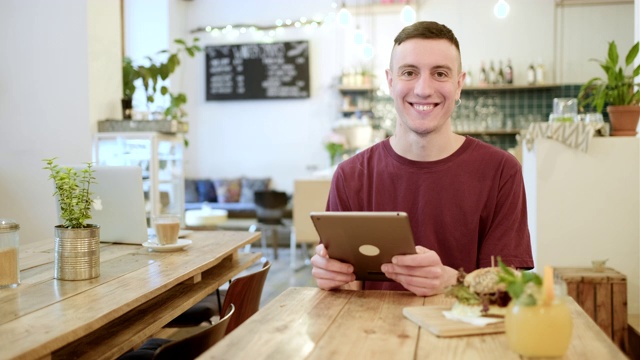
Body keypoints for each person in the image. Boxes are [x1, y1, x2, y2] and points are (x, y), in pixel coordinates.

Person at [311, 21, 533, 297]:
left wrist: (454, 280)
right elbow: (347, 284)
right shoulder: (350, 175)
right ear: (391, 82)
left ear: (459, 84)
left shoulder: (501, 171)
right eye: (409, 72)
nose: (423, 89)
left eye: (440, 73)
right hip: (371, 335)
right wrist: (331, 274)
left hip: (466, 333)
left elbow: (509, 282)